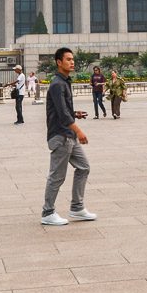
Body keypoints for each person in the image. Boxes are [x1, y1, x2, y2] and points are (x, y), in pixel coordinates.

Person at [41, 47, 95, 226]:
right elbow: (63, 115)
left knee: (84, 167)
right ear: (59, 62)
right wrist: (79, 131)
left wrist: (75, 113)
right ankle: (48, 213)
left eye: (72, 59)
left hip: (68, 134)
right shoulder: (57, 84)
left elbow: (65, 110)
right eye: (68, 59)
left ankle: (77, 208)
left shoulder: (64, 82)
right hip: (61, 136)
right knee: (57, 176)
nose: (72, 62)